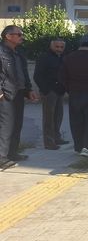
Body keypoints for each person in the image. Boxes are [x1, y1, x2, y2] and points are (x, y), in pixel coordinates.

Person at [0, 25, 38, 170]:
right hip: (5, 95)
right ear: (8, 36)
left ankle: (12, 153)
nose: (22, 37)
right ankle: (2, 158)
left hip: (19, 93)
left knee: (17, 124)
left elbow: (24, 73)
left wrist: (29, 90)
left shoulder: (19, 53)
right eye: (19, 34)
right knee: (5, 126)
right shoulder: (1, 51)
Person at [34, 38, 68, 150]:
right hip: (49, 92)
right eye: (57, 47)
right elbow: (37, 76)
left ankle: (57, 137)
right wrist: (46, 90)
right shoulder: (44, 57)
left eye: (61, 47)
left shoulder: (63, 58)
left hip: (60, 91)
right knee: (48, 118)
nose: (59, 49)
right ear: (51, 46)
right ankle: (49, 142)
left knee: (58, 116)